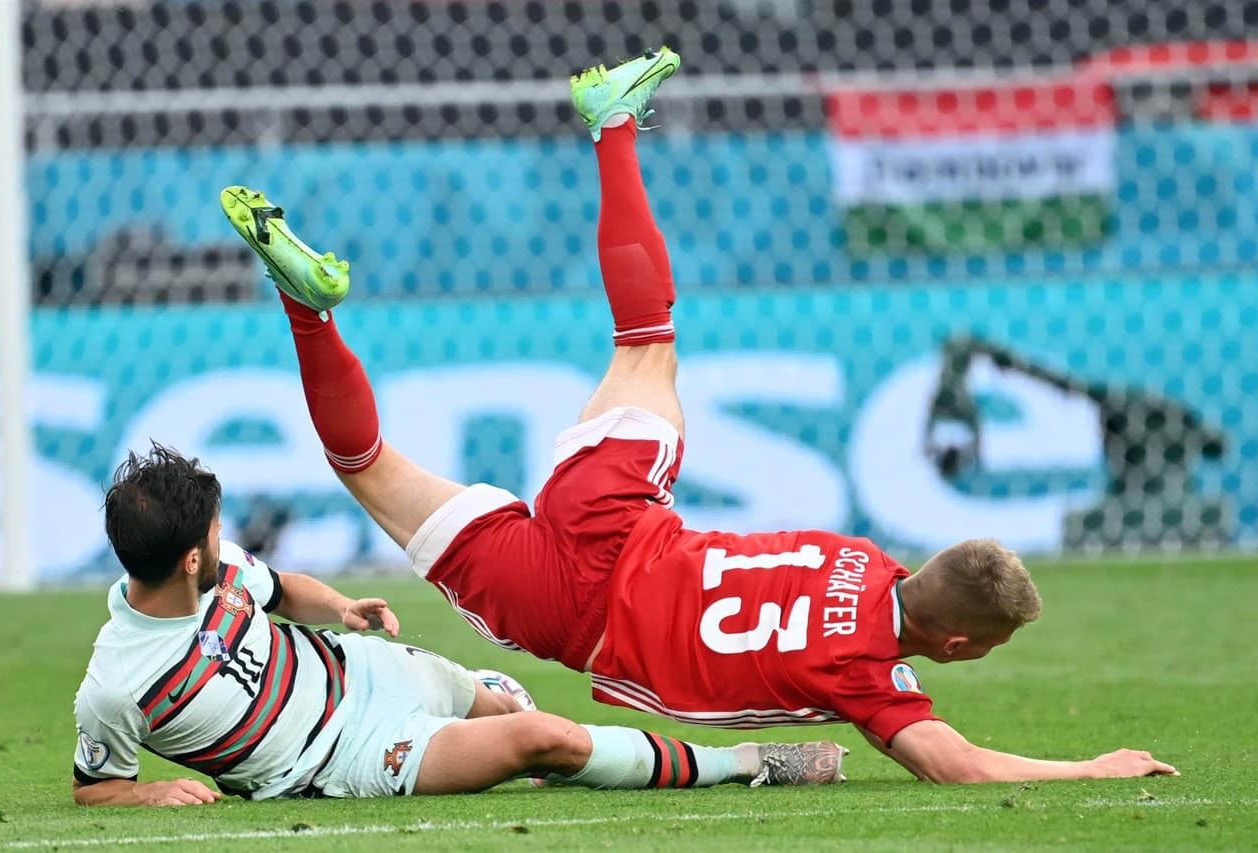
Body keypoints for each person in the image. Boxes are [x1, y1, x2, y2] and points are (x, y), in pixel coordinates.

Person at [218, 47, 1178, 785]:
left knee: (646, 337)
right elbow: (955, 762)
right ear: (959, 645)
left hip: (617, 510)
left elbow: (895, 604)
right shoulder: (865, 673)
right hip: (568, 611)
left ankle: (615, 129)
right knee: (370, 465)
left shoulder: (856, 556)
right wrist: (1093, 768)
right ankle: (308, 310)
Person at [72, 444, 849, 806]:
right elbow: (93, 789)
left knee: (507, 713)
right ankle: (745, 760)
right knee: (544, 737)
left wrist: (339, 607)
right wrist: (150, 793)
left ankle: (486, 699)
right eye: (211, 531)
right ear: (185, 560)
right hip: (348, 757)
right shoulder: (114, 686)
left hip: (371, 671)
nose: (222, 536)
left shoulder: (219, 567)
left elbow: (282, 592)